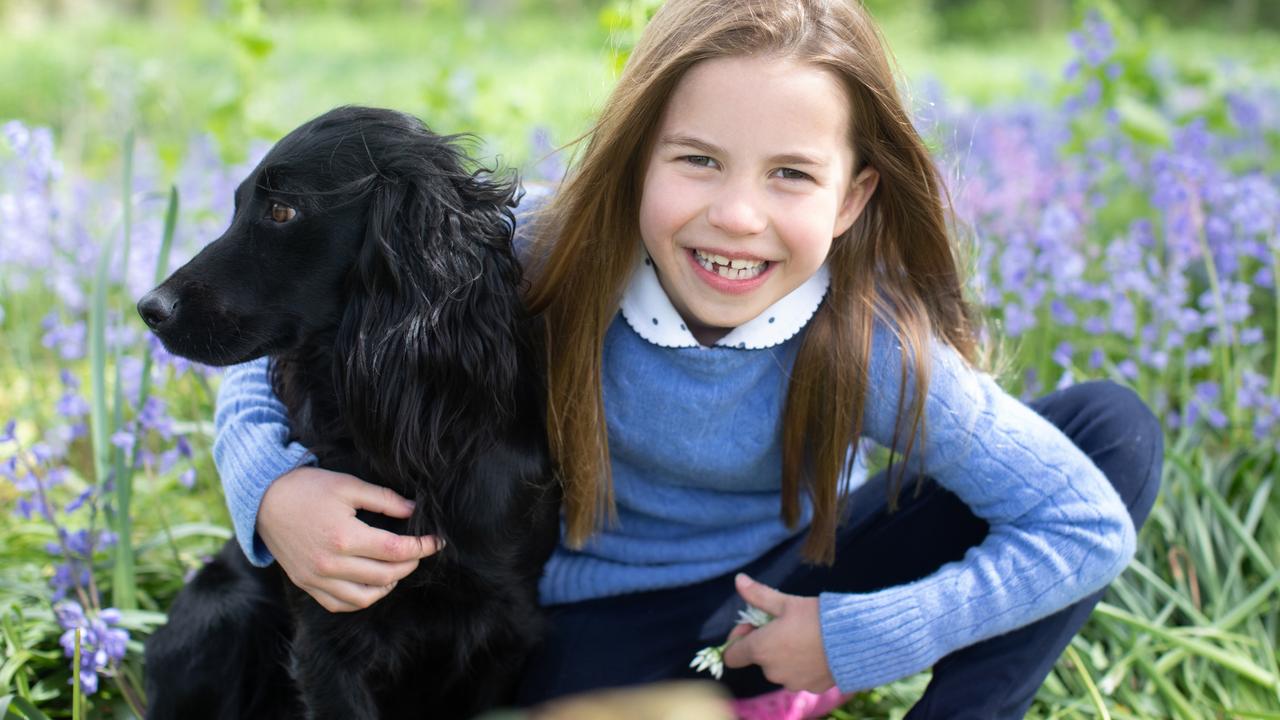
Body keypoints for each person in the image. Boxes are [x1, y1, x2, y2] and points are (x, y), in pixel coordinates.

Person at [211, 0, 1163, 717]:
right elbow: (290, 324)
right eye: (697, 160)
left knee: (1108, 432)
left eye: (791, 174)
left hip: (785, 587)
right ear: (636, 164)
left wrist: (855, 636)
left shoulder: (865, 339)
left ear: (852, 199)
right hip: (590, 624)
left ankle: (810, 683)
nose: (736, 216)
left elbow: (1083, 523)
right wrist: (271, 493)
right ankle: (748, 695)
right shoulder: (548, 253)